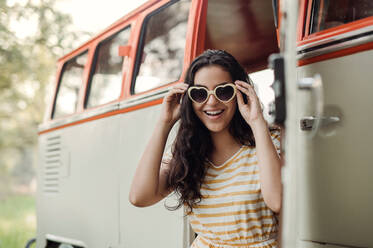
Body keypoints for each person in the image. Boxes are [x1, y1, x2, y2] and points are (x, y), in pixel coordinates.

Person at [129, 49, 282, 248]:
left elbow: (277, 201)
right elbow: (139, 197)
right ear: (190, 100)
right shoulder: (186, 153)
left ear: (240, 92)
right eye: (200, 94)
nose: (212, 102)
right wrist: (164, 123)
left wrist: (256, 121)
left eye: (223, 91)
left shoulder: (269, 141)